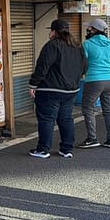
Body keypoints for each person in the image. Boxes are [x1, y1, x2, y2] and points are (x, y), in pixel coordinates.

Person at [28, 19, 87, 159]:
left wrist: (33, 84)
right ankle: (66, 149)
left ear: (54, 31)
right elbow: (85, 67)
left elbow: (42, 67)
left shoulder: (52, 46)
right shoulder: (78, 46)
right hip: (71, 90)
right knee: (66, 118)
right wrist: (74, 80)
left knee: (47, 119)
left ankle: (43, 150)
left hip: (50, 89)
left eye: (51, 30)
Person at [78, 19, 110, 149]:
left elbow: (83, 63)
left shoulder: (87, 44)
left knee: (88, 108)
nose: (87, 30)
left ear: (94, 30)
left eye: (89, 28)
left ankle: (92, 138)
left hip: (94, 80)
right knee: (108, 110)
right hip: (109, 80)